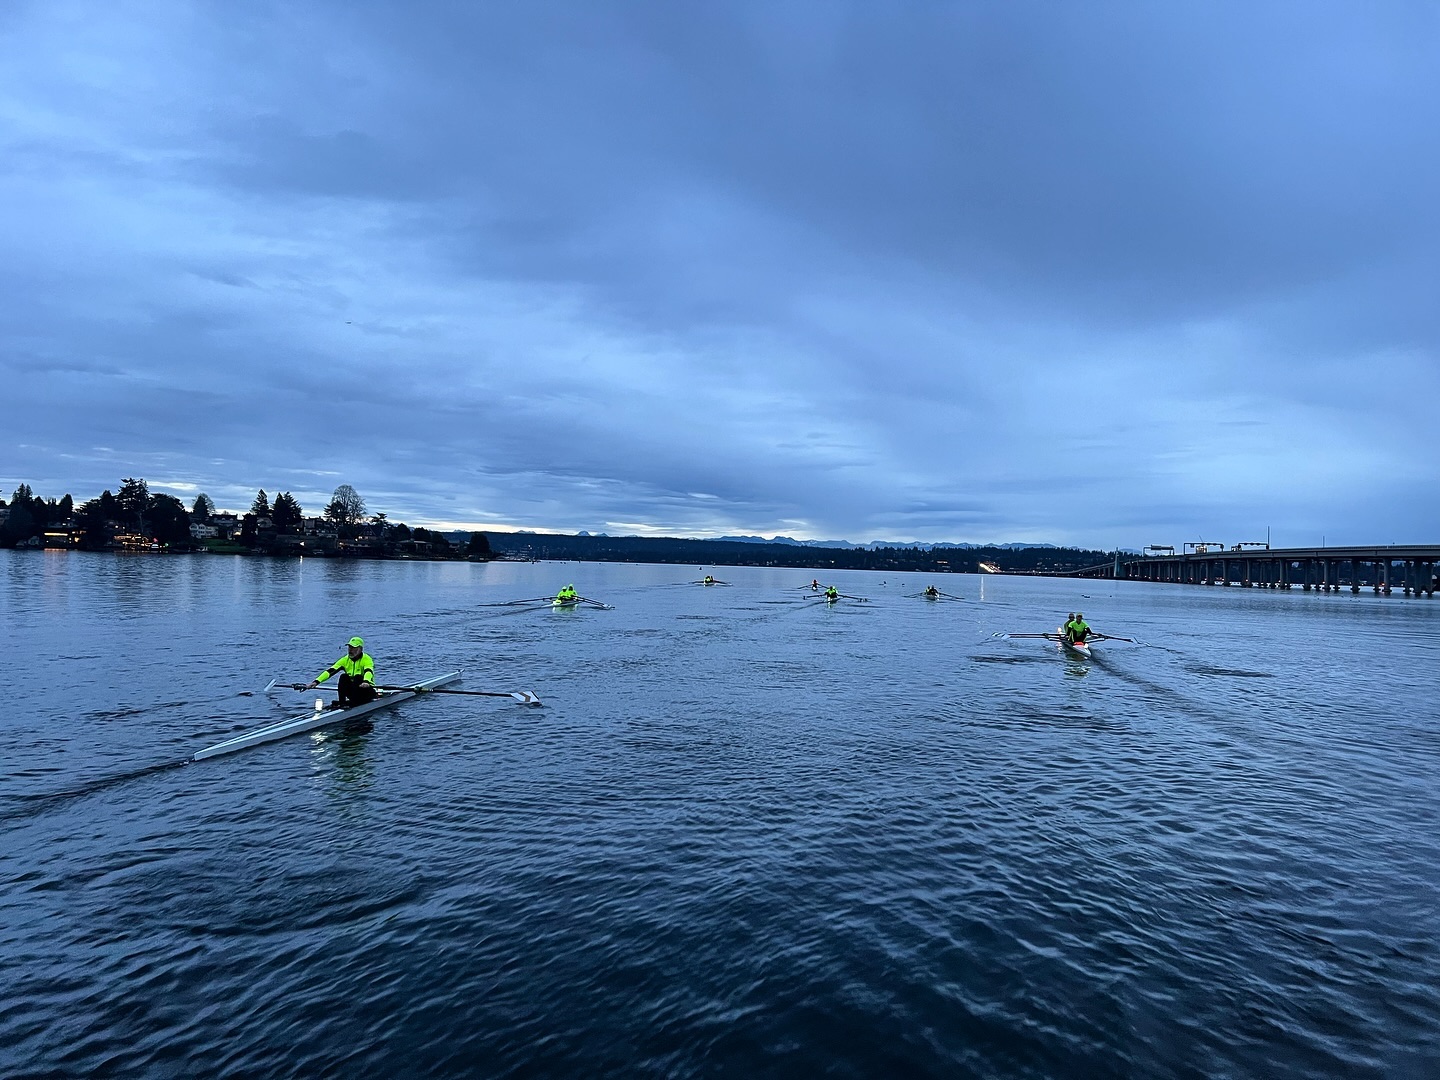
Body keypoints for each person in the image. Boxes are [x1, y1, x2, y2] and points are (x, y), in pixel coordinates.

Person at [308, 636, 376, 708]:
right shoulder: (344, 660)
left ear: (360, 649)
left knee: (358, 677)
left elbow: (368, 671)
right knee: (343, 677)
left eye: (353, 648)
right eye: (349, 647)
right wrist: (316, 682)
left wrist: (366, 681)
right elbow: (330, 671)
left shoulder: (367, 659)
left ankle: (353, 704)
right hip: (353, 692)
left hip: (366, 691)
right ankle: (342, 704)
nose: (350, 650)